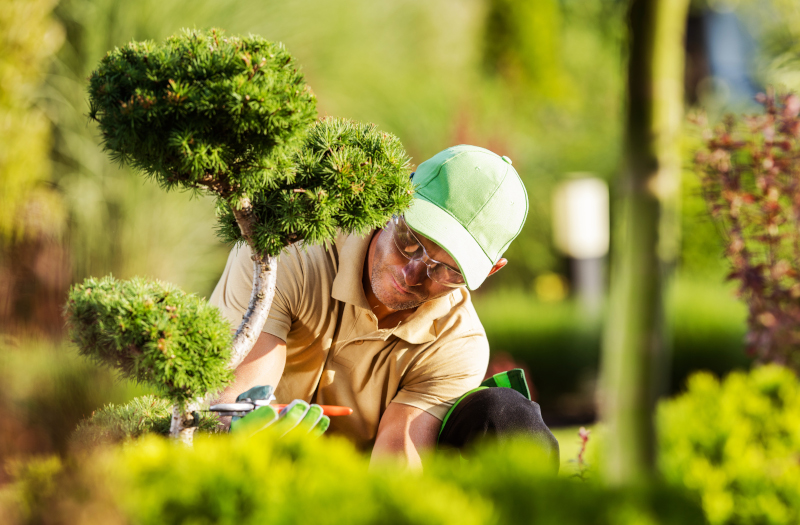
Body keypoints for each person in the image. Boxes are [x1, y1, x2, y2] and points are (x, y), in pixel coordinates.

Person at [209, 145, 559, 470]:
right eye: (411, 240)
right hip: (252, 472)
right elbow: (230, 405)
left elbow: (396, 461)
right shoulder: (290, 256)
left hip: (352, 492)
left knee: (510, 419)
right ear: (393, 202)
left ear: (492, 269)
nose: (413, 273)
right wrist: (243, 434)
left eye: (448, 270)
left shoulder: (457, 341)